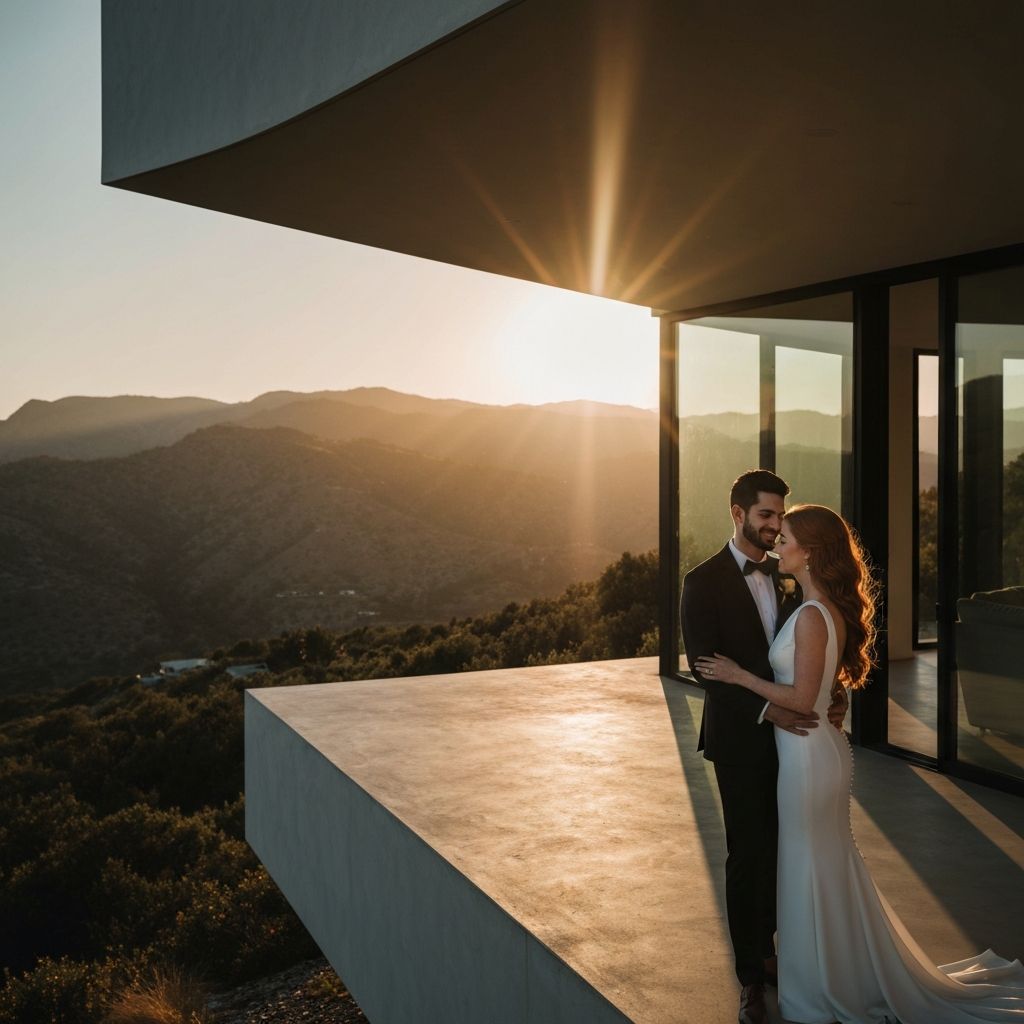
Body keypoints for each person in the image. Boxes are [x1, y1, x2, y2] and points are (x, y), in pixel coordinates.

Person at [695, 504, 1024, 1023]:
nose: (778, 543)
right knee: (819, 865)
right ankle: (834, 973)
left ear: (812, 553)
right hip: (816, 752)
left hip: (806, 755)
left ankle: (825, 985)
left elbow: (803, 700)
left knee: (809, 865)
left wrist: (738, 676)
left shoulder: (809, 615)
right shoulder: (816, 609)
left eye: (787, 538)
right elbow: (824, 689)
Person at [681, 470, 849, 1024]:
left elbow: (811, 642)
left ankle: (777, 952)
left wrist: (831, 691)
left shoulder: (785, 573)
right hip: (740, 741)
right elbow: (707, 670)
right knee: (748, 855)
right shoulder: (701, 583)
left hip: (795, 741)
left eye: (781, 517)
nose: (776, 528)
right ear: (738, 513)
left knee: (787, 849)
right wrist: (767, 707)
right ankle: (751, 978)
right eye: (766, 516)